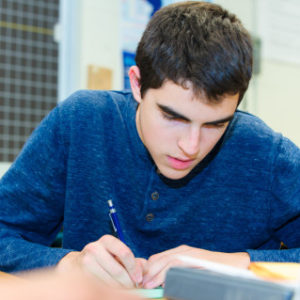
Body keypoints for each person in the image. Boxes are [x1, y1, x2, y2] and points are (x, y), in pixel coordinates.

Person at [0, 0, 299, 290]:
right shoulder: (82, 122)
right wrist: (67, 264)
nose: (190, 146)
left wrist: (234, 264)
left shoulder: (265, 153)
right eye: (172, 117)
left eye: (215, 124)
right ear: (137, 83)